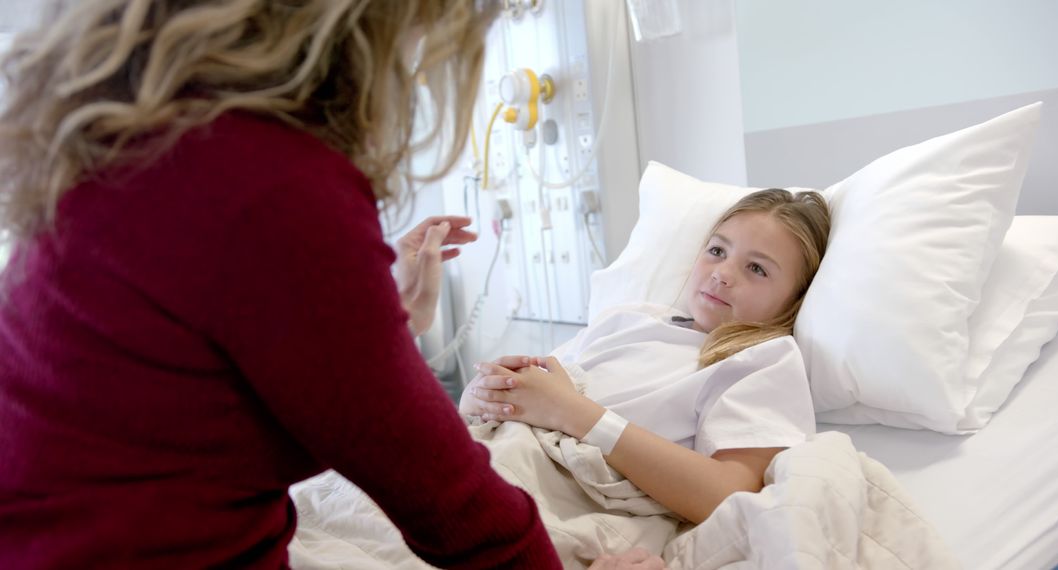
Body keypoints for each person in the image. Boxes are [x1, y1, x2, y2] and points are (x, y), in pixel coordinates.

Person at [0, 1, 668, 568]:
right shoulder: (267, 186)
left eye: (759, 266)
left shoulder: (137, 140)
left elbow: (218, 386)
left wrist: (386, 317)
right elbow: (450, 501)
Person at [461, 189, 831, 524]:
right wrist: (488, 392)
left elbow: (728, 494)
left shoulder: (761, 360)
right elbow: (539, 391)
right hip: (487, 449)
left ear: (794, 301)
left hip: (550, 489)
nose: (722, 274)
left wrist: (571, 412)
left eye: (757, 268)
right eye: (717, 251)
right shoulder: (629, 317)